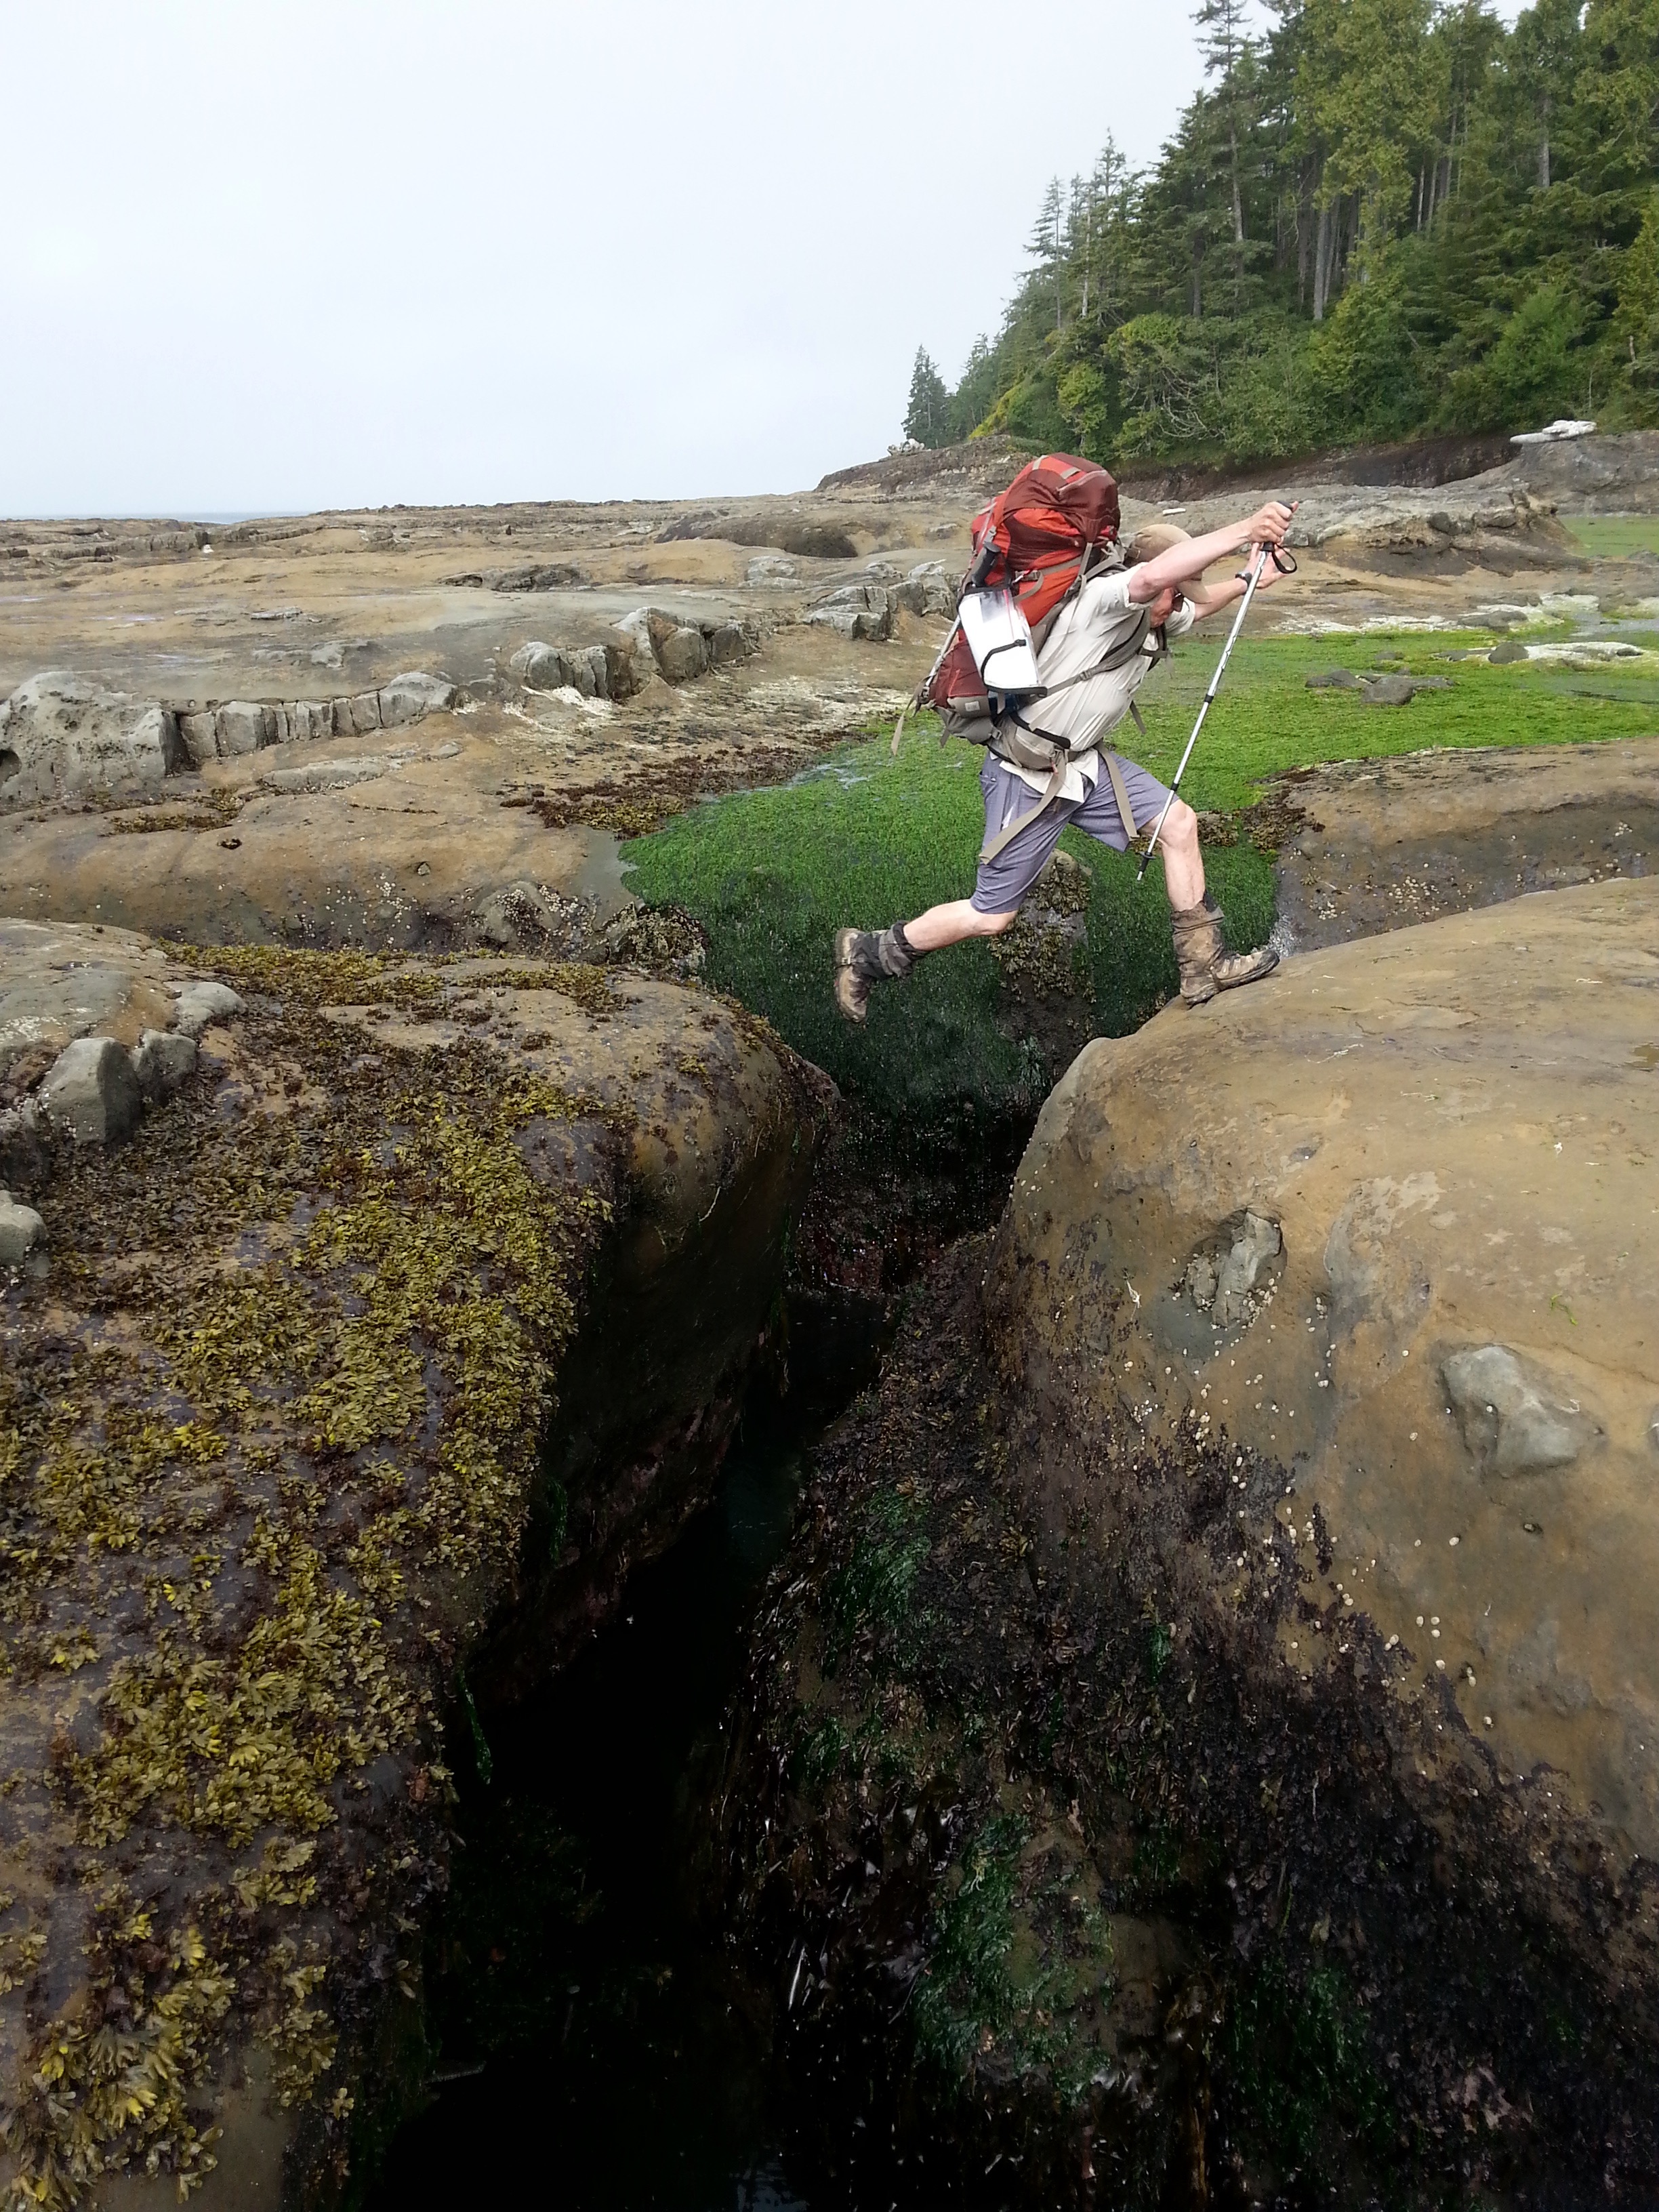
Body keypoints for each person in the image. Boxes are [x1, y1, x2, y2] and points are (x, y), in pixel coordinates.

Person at [833, 501, 1296, 1024]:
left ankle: (1204, 965)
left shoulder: (1155, 615)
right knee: (991, 917)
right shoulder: (1103, 600)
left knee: (1179, 823)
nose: (1178, 606)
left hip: (1084, 767)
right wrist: (1244, 530)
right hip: (1025, 773)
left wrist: (1251, 577)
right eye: (1174, 592)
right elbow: (1155, 578)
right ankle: (868, 954)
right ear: (1145, 578)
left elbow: (1201, 606)